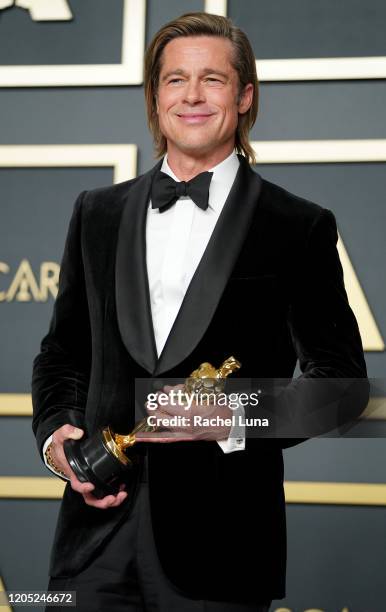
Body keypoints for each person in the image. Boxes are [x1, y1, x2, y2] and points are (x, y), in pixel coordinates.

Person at [31, 11, 368, 612]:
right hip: (92, 545)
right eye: (174, 80)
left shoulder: (298, 226)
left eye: (212, 80)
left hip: (224, 551)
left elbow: (341, 389)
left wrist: (229, 413)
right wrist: (57, 439)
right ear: (155, 97)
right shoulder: (97, 212)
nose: (191, 95)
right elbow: (62, 353)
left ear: (244, 97)